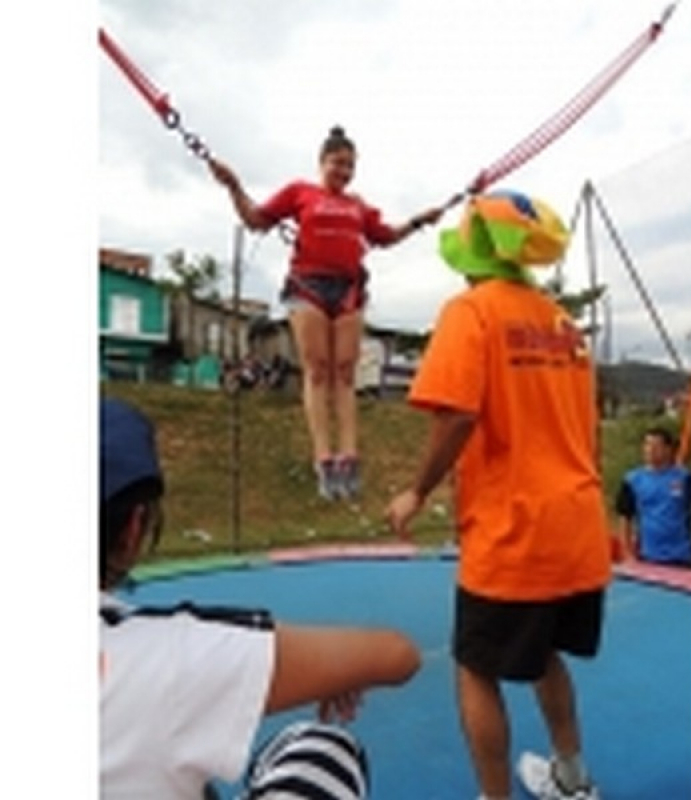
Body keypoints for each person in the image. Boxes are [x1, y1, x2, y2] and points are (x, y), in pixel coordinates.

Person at [385, 191, 612, 800]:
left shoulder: (472, 311)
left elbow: (456, 415)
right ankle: (572, 777)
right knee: (546, 656)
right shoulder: (564, 323)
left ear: (474, 250)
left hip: (514, 531)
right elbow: (587, 432)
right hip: (577, 524)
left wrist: (415, 491)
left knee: (476, 667)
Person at [100, 397, 421, 799]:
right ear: (133, 529)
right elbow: (398, 655)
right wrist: (336, 668)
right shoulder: (171, 655)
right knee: (324, 752)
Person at [208, 126, 443, 501]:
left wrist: (417, 222)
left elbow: (385, 236)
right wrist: (234, 186)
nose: (344, 171)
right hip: (308, 286)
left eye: (350, 166)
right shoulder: (300, 192)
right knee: (318, 370)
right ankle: (324, 457)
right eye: (338, 163)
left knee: (345, 372)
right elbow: (256, 219)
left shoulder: (358, 206)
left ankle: (349, 456)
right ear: (323, 163)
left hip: (348, 288)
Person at [615, 425, 691, 568]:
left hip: (681, 557)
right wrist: (627, 553)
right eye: (647, 445)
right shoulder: (633, 480)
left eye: (656, 446)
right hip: (649, 555)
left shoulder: (685, 478)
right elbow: (625, 517)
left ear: (668, 449)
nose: (650, 450)